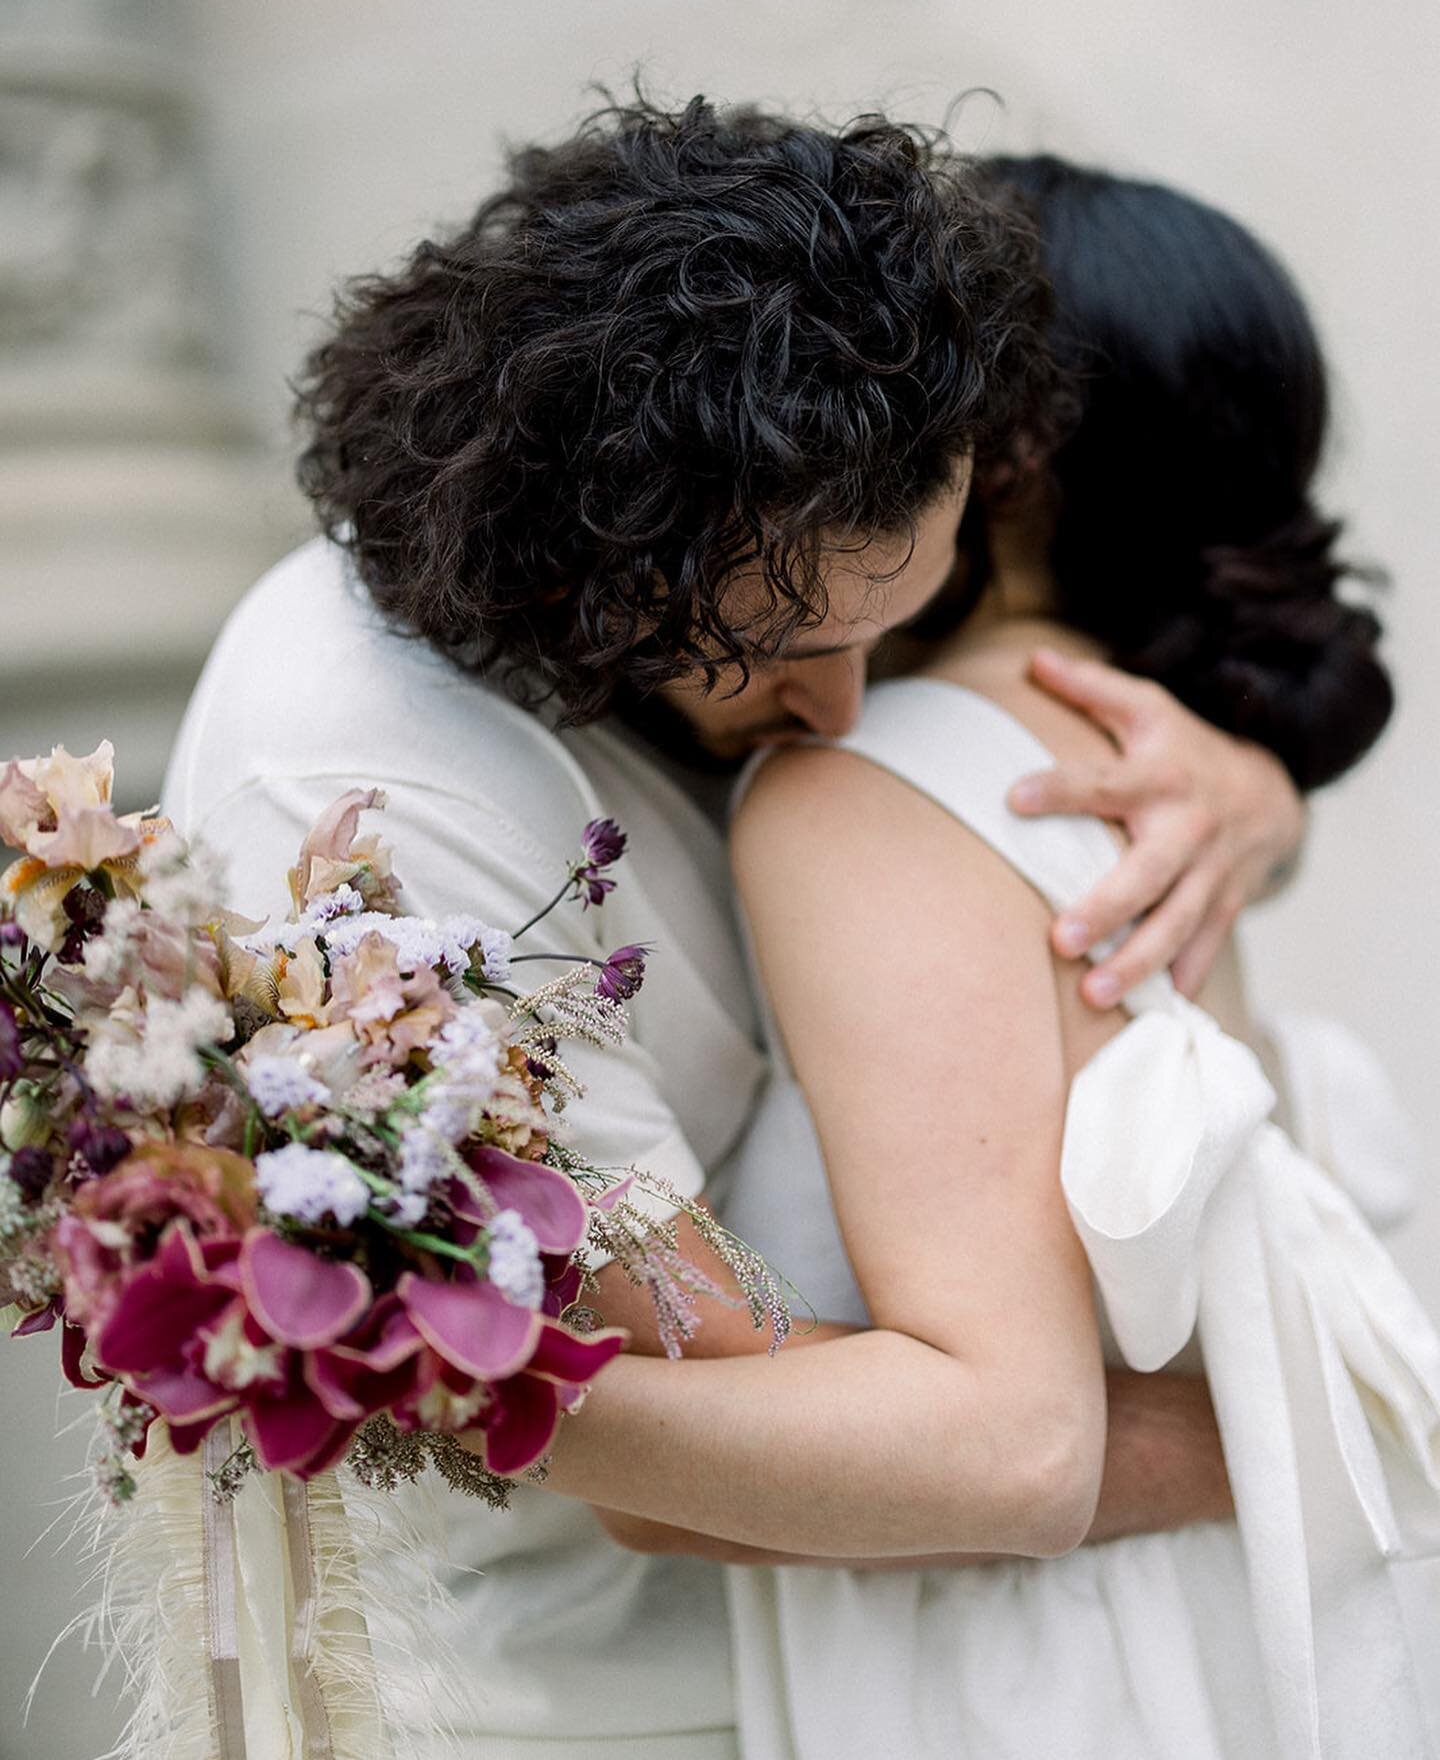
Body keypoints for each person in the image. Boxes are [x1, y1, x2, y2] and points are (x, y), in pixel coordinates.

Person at [164, 102, 1307, 1758]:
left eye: (896, 627)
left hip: (864, 1644)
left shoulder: (735, 549)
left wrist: (1252, 799)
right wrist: (1299, 1433)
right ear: (587, 555)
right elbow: (744, 1421)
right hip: (582, 1695)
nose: (845, 710)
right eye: (786, 644)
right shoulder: (383, 826)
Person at [660, 157, 1435, 1757]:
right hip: (1249, 1631)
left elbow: (1005, 1438)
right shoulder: (1175, 767)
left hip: (1033, 1675)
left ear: (991, 449)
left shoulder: (860, 785)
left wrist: (514, 1411)